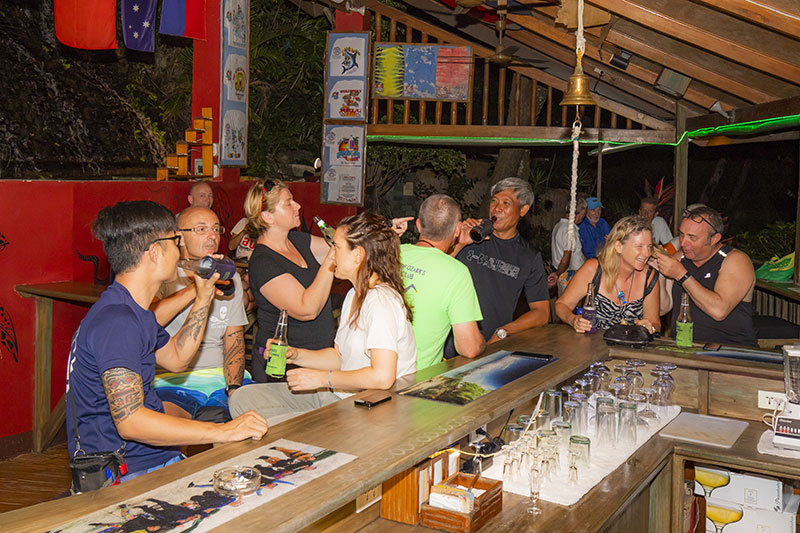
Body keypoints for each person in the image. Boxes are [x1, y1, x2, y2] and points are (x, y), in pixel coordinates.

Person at [66, 201, 267, 482]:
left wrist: (203, 297)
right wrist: (224, 431)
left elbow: (176, 358)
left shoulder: (133, 312)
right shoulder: (117, 322)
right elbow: (131, 423)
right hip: (128, 473)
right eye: (175, 241)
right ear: (155, 252)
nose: (180, 250)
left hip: (153, 459)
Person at [230, 212, 417, 425]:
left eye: (336, 247)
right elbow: (339, 357)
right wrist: (295, 354)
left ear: (358, 255)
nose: (331, 254)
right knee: (241, 399)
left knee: (270, 427)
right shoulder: (355, 294)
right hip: (341, 395)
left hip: (371, 409)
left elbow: (382, 377)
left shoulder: (380, 301)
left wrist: (322, 378)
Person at [149, 207, 249, 418]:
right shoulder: (164, 275)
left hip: (220, 379)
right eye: (201, 229)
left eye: (216, 228)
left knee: (264, 413)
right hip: (172, 382)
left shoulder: (229, 276)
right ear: (179, 238)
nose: (212, 235)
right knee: (165, 420)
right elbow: (147, 322)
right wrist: (197, 287)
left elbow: (234, 341)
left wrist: (234, 389)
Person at [243, 179, 337, 383]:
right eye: (288, 203)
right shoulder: (263, 263)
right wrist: (332, 258)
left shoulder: (298, 241)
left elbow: (344, 250)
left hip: (319, 359)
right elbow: (307, 309)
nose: (298, 206)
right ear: (267, 216)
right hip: (284, 366)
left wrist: (384, 232)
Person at [452, 177, 550, 345]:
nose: (497, 208)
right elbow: (435, 270)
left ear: (523, 210)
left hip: (491, 345)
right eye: (494, 201)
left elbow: (542, 312)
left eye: (506, 203)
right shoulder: (471, 236)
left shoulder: (528, 257)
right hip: (451, 342)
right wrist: (459, 242)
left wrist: (504, 331)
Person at [651, 206, 757, 346]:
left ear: (714, 239)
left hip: (730, 350)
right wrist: (658, 272)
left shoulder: (735, 260)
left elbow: (719, 310)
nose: (682, 242)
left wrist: (681, 275)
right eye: (682, 234)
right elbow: (663, 308)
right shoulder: (680, 258)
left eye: (692, 237)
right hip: (685, 347)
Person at [400, 194, 484, 370]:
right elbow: (469, 348)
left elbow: (430, 263)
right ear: (458, 229)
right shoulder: (457, 273)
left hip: (371, 372)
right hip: (415, 379)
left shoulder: (391, 252)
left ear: (418, 225)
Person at [556, 216, 660, 334]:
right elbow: (562, 304)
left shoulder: (649, 277)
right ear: (619, 246)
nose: (647, 253)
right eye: (639, 246)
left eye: (649, 247)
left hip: (631, 344)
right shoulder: (593, 269)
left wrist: (650, 328)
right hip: (592, 344)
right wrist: (573, 320)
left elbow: (655, 323)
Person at [548, 195, 588, 291]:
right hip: (570, 276)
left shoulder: (558, 226)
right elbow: (565, 259)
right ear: (576, 214)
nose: (582, 219)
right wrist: (557, 274)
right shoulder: (570, 230)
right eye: (582, 216)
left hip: (564, 273)